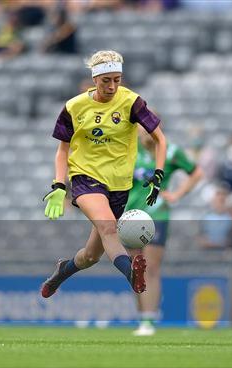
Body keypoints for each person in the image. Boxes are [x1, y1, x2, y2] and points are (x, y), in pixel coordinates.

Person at [41, 50, 167, 298]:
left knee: (90, 256)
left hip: (119, 186)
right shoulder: (74, 107)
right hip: (86, 178)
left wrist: (159, 174)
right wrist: (58, 185)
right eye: (105, 80)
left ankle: (61, 272)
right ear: (94, 79)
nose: (112, 87)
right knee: (110, 228)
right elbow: (62, 150)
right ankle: (131, 273)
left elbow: (160, 139)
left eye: (117, 80)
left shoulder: (131, 103)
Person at [127, 126, 203, 336]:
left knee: (150, 268)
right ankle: (143, 318)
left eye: (149, 128)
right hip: (131, 215)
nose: (145, 132)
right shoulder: (129, 149)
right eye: (141, 128)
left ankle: (149, 321)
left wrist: (177, 194)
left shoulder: (170, 151)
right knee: (135, 270)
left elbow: (196, 173)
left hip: (157, 215)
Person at [198, 186, 232, 250]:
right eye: (218, 200)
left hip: (225, 253)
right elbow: (201, 238)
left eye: (222, 201)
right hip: (208, 252)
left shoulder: (231, 218)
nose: (220, 203)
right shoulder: (206, 218)